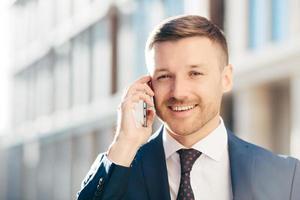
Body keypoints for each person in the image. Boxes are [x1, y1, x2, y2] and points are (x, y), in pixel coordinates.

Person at [77, 15, 300, 200]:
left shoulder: (286, 176)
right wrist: (124, 143)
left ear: (226, 79)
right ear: (148, 84)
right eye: (164, 76)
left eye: (195, 73)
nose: (179, 92)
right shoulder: (120, 171)